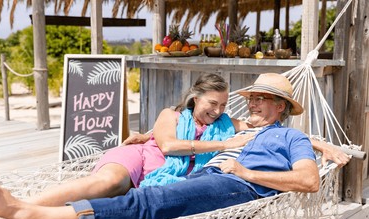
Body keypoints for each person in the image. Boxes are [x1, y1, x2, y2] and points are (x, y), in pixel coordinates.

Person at [0, 73, 351, 219]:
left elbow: (309, 181)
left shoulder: (290, 135)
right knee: (143, 213)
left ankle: (19, 212)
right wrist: (147, 136)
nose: (250, 102)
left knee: (148, 202)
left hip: (236, 187)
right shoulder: (243, 129)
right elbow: (175, 140)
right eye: (250, 97)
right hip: (205, 179)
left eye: (260, 98)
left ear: (281, 106)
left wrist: (244, 169)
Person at [18, 73, 254, 207]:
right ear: (195, 98)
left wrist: (267, 104)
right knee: (108, 183)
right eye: (212, 103)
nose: (218, 110)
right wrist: (225, 144)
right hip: (138, 157)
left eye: (223, 105)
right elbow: (169, 146)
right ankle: (24, 205)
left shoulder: (223, 124)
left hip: (161, 182)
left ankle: (28, 216)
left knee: (109, 202)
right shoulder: (170, 115)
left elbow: (257, 125)